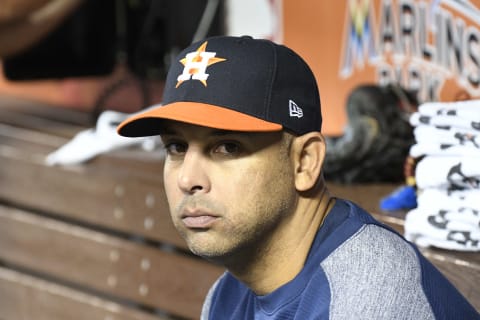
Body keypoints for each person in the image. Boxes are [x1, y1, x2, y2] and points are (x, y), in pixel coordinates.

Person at [117, 36, 478, 319]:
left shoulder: (365, 297)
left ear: (305, 161)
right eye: (176, 147)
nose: (188, 180)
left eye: (226, 147)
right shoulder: (228, 295)